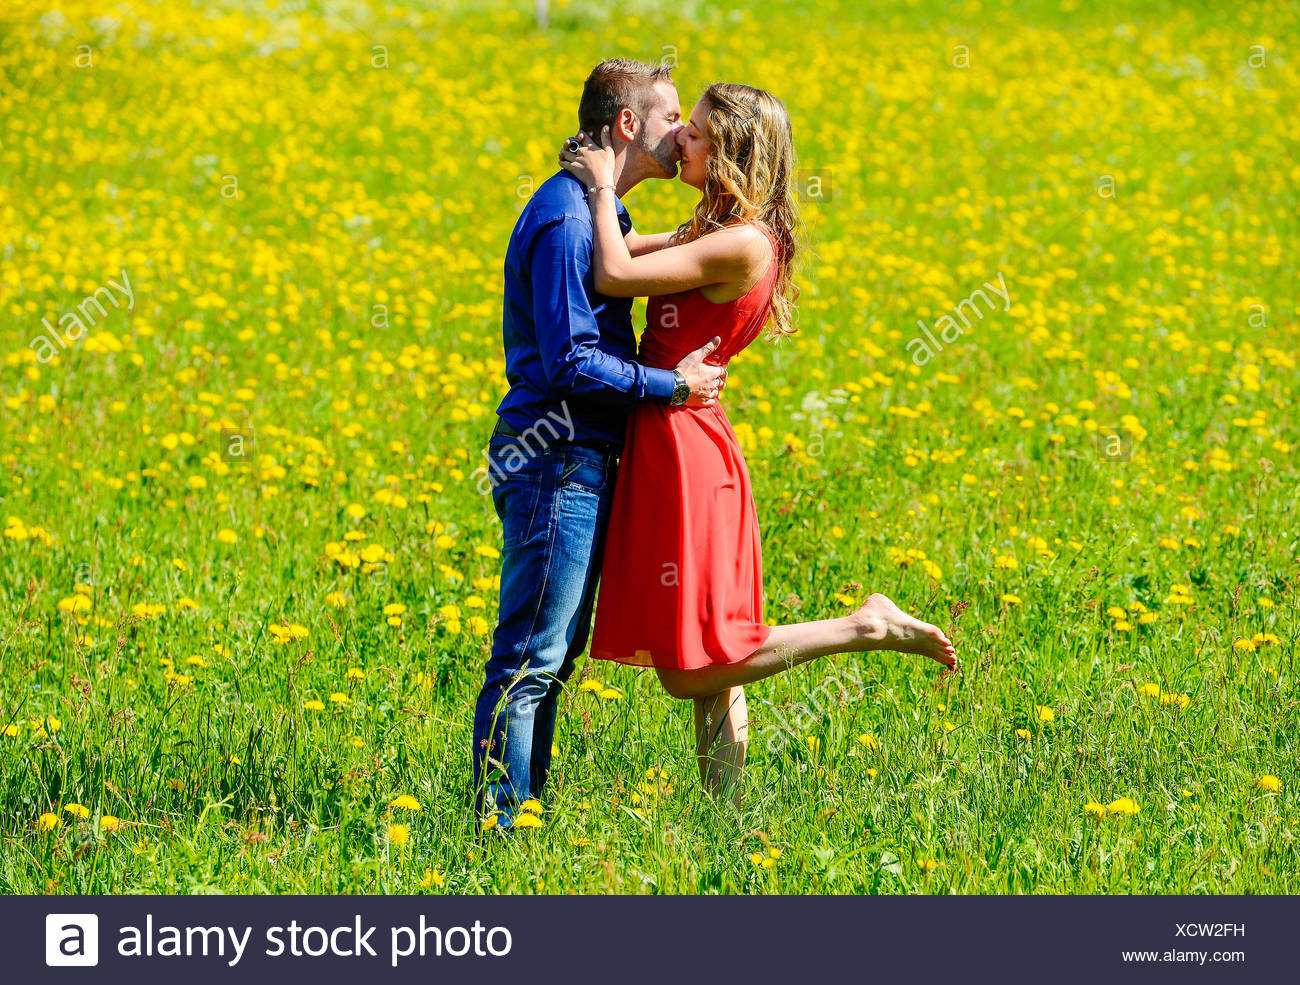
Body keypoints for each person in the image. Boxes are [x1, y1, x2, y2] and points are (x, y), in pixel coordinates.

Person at [558, 82, 958, 807]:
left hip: (683, 446)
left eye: (700, 134)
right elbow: (630, 250)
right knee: (717, 654)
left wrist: (595, 184)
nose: (683, 139)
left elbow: (613, 271)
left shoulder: (740, 244)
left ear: (735, 155)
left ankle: (863, 625)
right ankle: (726, 820)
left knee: (692, 666)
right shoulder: (718, 229)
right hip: (676, 435)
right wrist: (602, 201)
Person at [471, 58, 729, 833]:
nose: (683, 129)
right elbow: (570, 360)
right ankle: (498, 826)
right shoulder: (566, 216)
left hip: (580, 458)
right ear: (628, 124)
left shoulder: (597, 209)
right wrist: (671, 388)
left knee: (552, 658)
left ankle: (521, 815)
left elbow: (635, 254)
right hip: (555, 454)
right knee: (528, 657)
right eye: (672, 114)